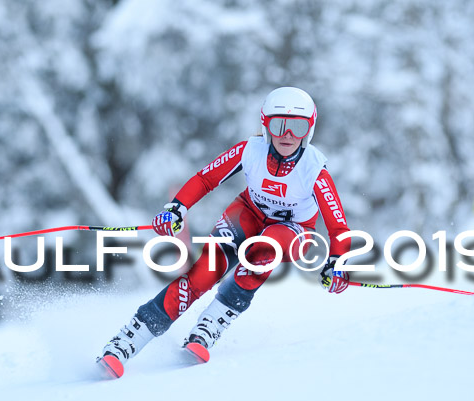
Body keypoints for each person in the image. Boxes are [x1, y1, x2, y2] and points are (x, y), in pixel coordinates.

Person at [97, 87, 352, 378]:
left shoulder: (314, 169)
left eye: (298, 126)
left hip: (293, 231)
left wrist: (338, 264)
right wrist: (176, 208)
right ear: (264, 123)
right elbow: (207, 178)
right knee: (202, 275)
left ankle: (210, 324)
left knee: (263, 251)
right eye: (278, 124)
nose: (287, 134)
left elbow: (338, 226)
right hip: (248, 213)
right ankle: (126, 341)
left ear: (310, 129)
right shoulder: (250, 150)